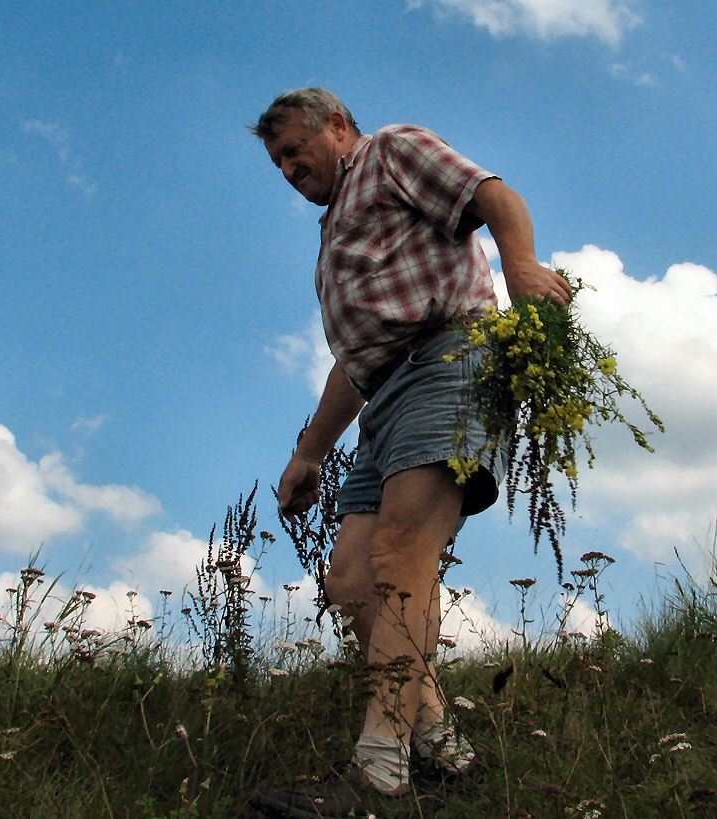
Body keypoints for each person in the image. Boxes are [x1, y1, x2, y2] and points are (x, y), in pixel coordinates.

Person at [248, 88, 571, 817]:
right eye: (277, 163)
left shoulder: (391, 150)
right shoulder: (334, 231)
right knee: (353, 582)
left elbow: (492, 193)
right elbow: (357, 358)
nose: (289, 169)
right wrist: (309, 452)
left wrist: (520, 265)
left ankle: (379, 772)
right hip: (386, 395)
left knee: (401, 554)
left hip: (449, 359)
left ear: (337, 126)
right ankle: (438, 744)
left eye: (295, 150)